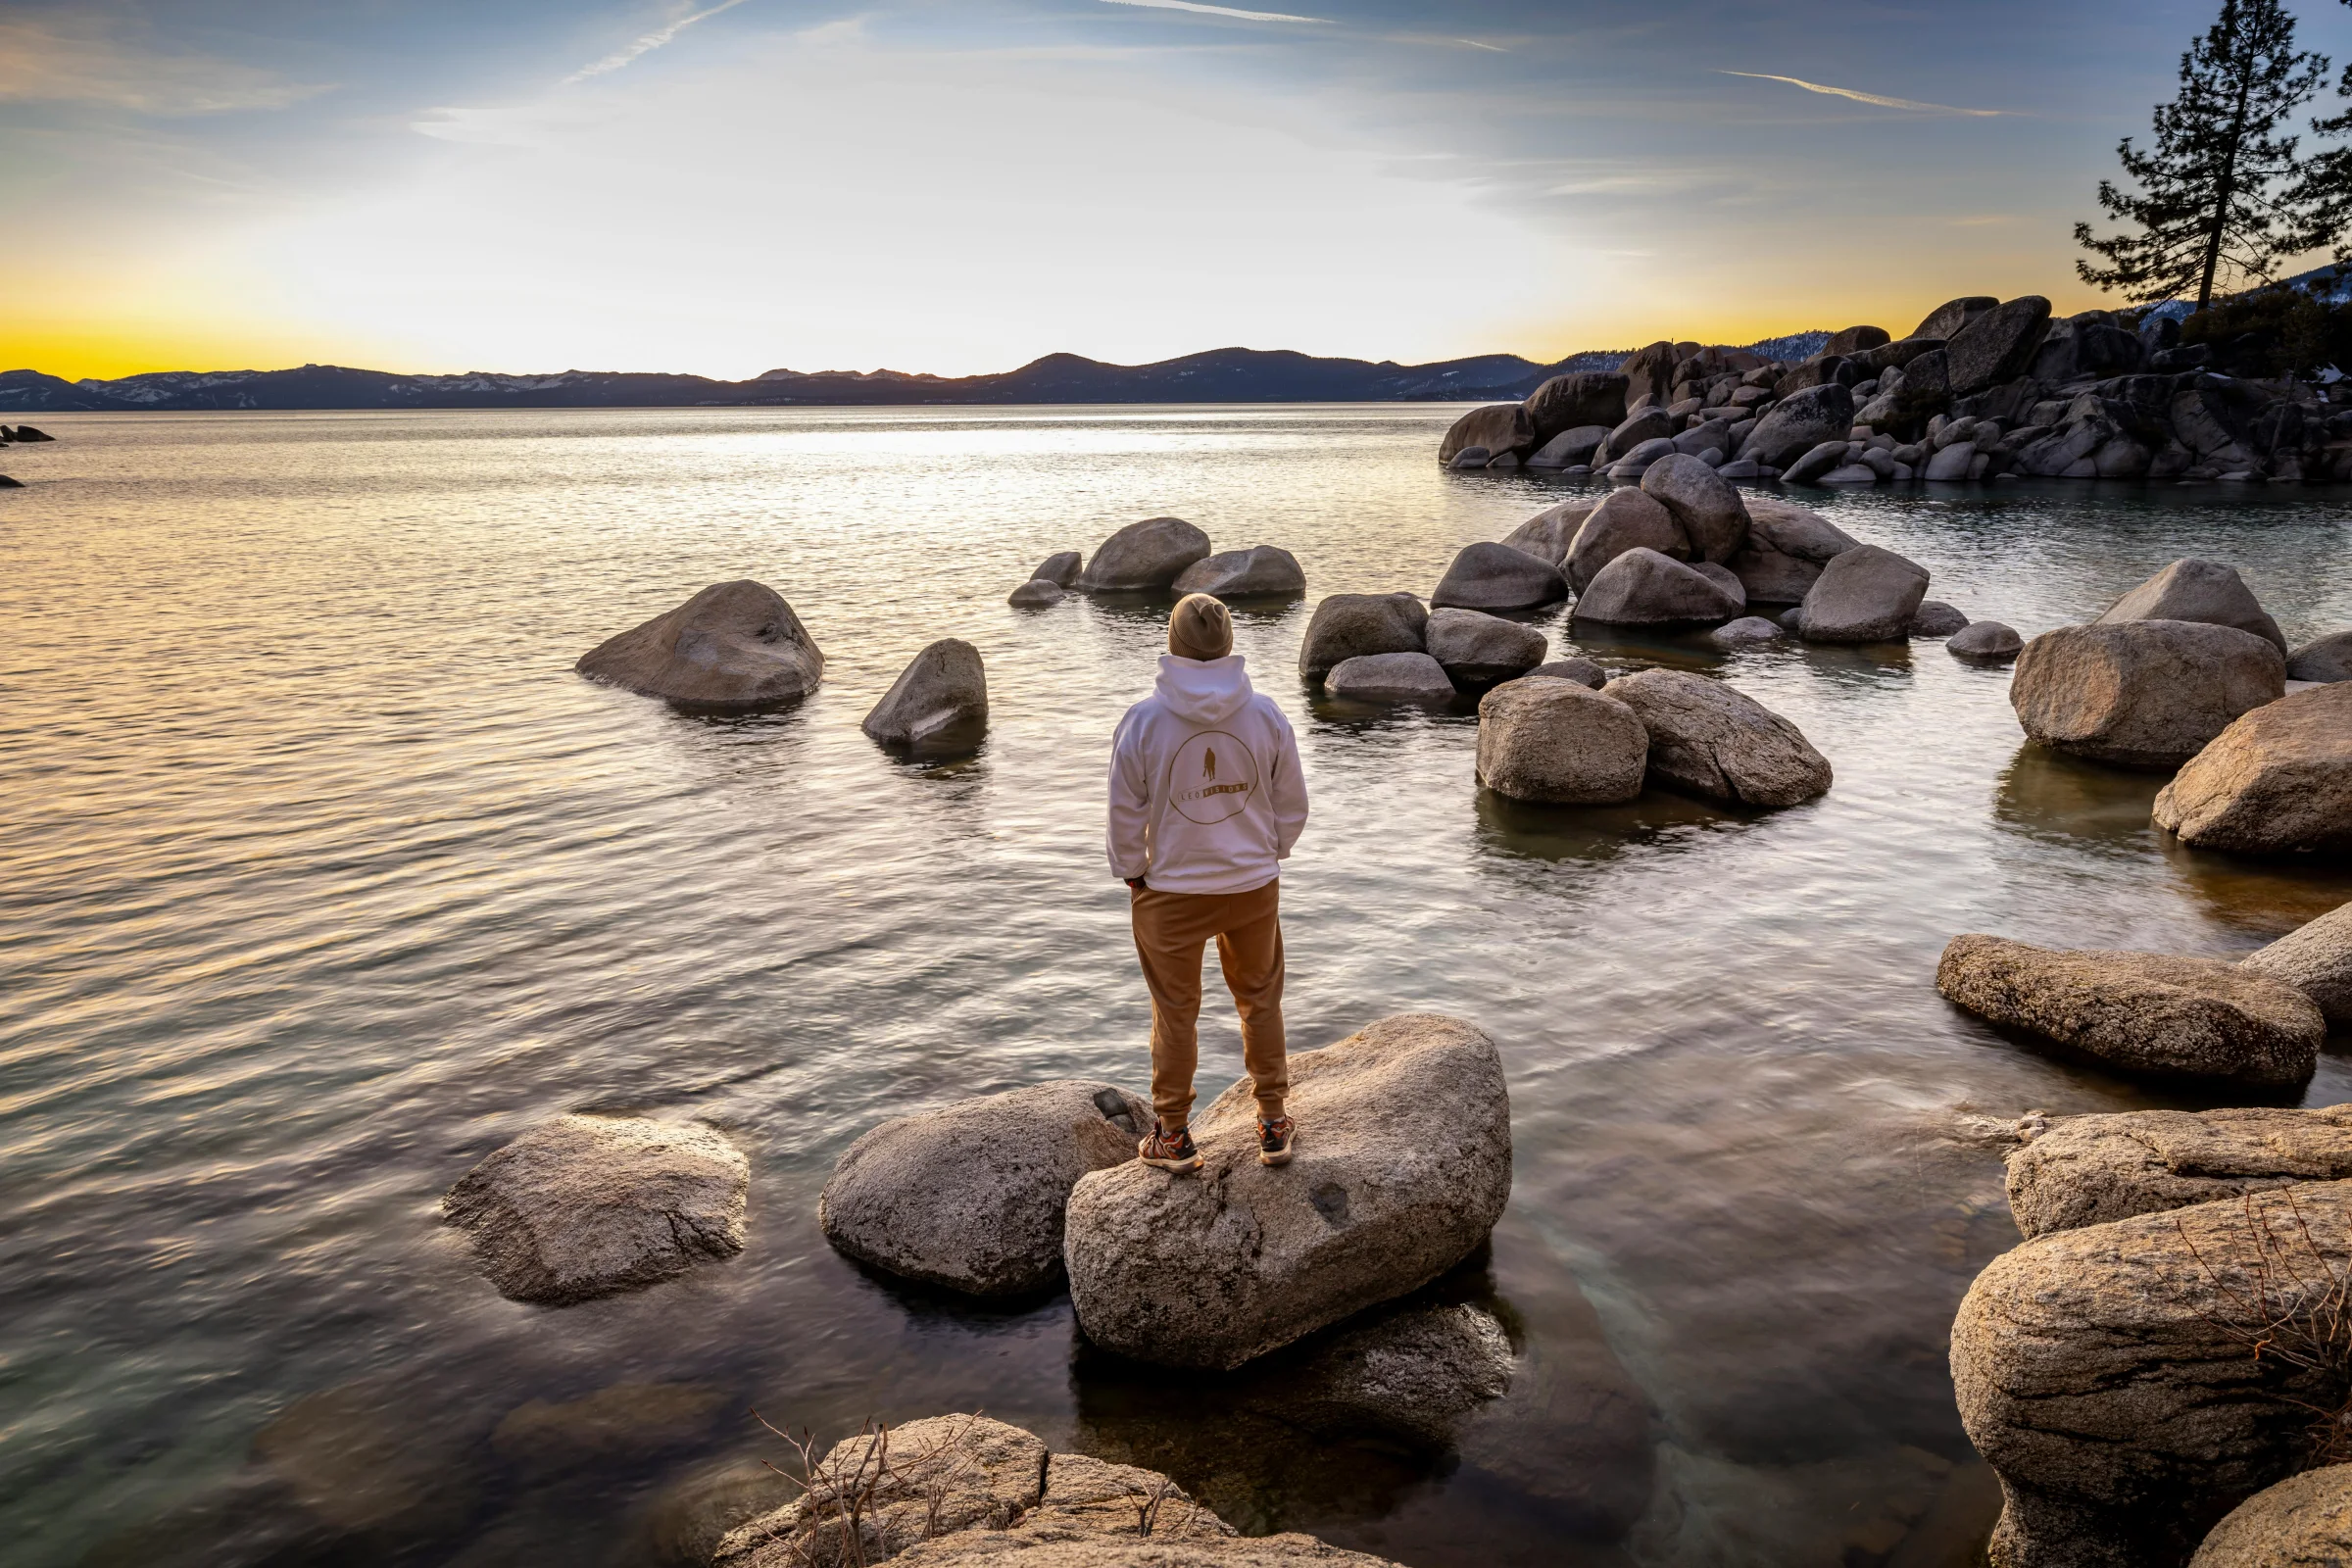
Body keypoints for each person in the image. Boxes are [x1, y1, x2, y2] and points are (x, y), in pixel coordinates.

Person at [1105, 592, 1308, 1174]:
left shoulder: (1144, 720)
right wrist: (1271, 854)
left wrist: (1133, 872)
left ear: (1172, 643)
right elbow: (1292, 805)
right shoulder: (1265, 714)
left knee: (1176, 1014)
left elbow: (1124, 811)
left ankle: (1172, 1135)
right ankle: (1272, 1122)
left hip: (1170, 890)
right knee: (1261, 1001)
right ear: (1229, 645)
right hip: (1251, 887)